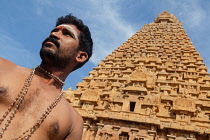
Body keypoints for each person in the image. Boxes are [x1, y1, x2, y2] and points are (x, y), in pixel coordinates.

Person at [0, 14, 93, 140]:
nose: (54, 34)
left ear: (80, 56)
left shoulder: (73, 121)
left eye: (67, 34)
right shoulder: (3, 68)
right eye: (54, 31)